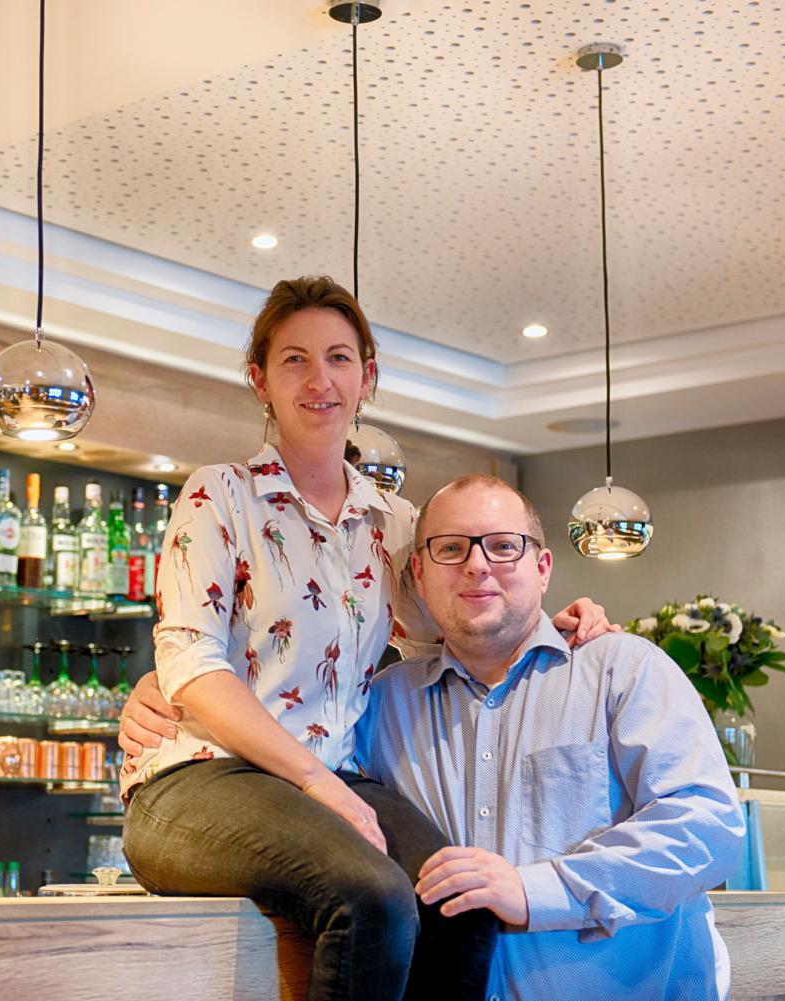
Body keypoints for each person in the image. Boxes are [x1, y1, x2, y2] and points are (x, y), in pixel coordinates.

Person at [119, 276, 613, 1001]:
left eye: (339, 358)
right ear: (259, 379)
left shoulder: (395, 523)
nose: (319, 379)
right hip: (200, 779)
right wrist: (315, 779)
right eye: (294, 359)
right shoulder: (218, 493)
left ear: (367, 378)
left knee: (463, 900)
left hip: (334, 782)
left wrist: (557, 619)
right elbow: (191, 658)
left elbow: (463, 624)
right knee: (371, 895)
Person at [123, 473, 746, 1001]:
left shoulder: (623, 670)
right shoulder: (378, 706)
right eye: (451, 549)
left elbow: (708, 826)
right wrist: (169, 689)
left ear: (542, 567)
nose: (477, 564)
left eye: (503, 546)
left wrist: (537, 889)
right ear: (417, 576)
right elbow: (285, 755)